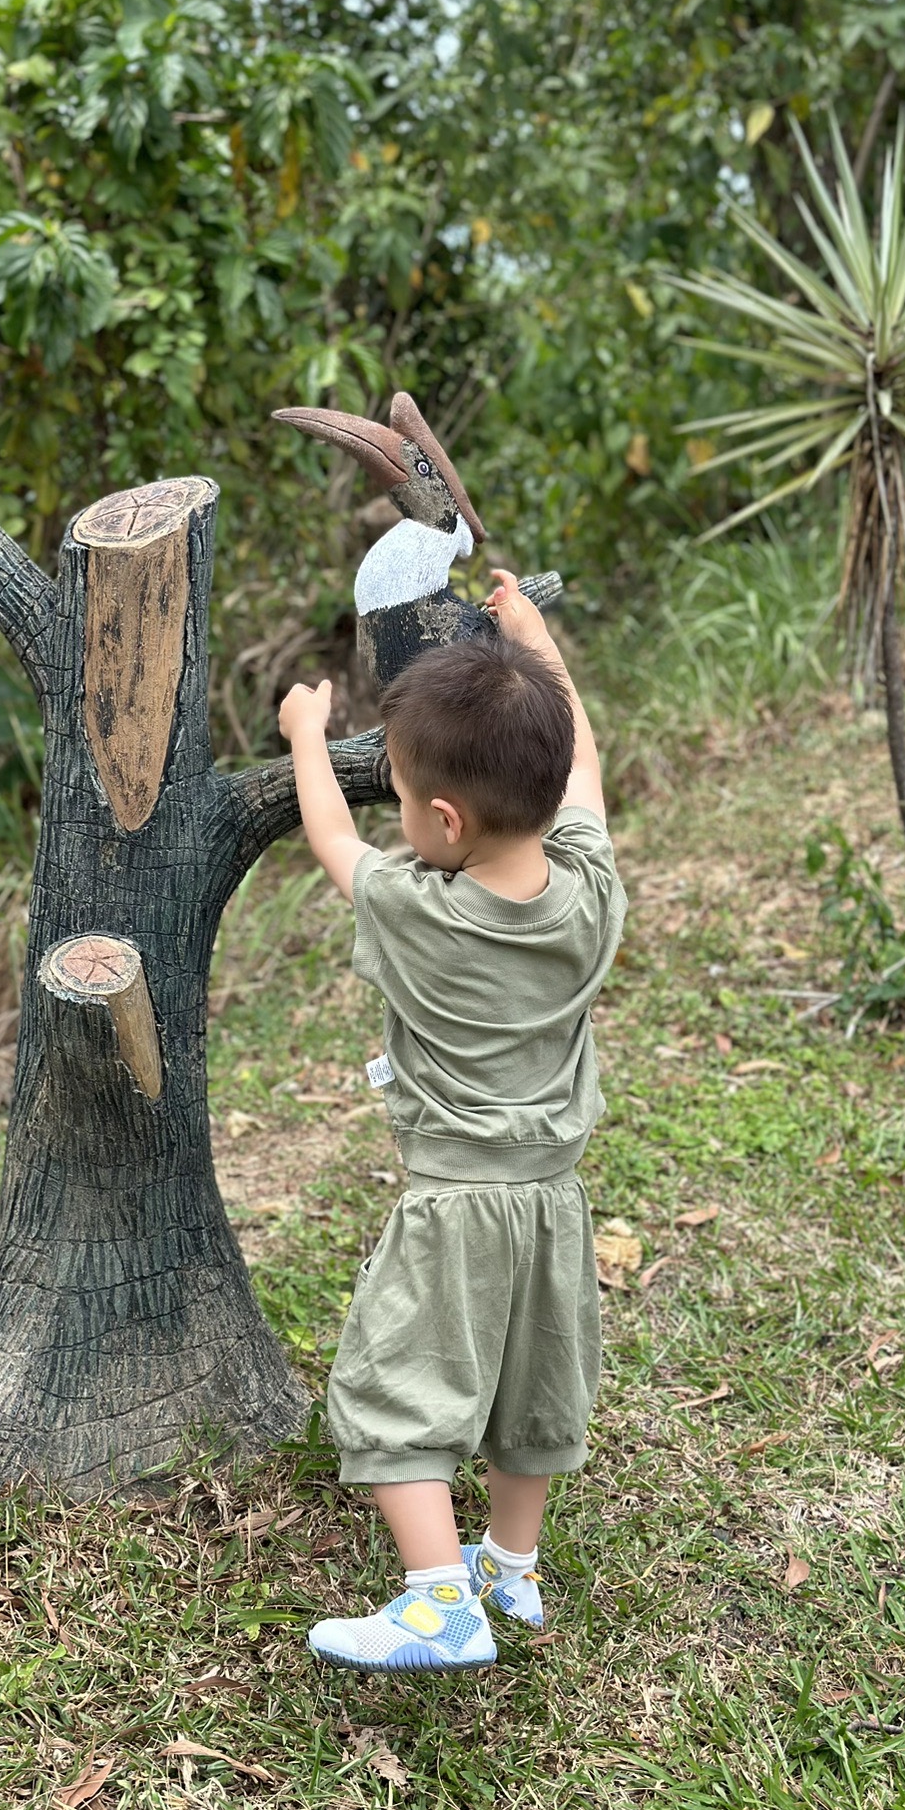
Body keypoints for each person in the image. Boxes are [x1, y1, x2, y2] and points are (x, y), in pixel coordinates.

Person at [277, 567, 626, 1673]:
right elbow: (589, 773)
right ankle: (509, 1573)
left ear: (439, 818)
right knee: (538, 1388)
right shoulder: (588, 894)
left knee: (392, 1387)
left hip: (454, 1204)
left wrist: (303, 735)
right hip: (554, 1202)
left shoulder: (418, 913)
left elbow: (336, 844)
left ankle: (438, 1601)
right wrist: (534, 638)